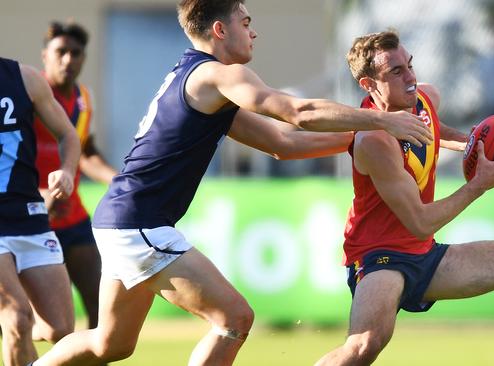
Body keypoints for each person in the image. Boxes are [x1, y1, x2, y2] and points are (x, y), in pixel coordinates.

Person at [31, 1, 433, 365]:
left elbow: (281, 143)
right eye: (246, 21)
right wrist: (381, 119)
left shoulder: (201, 81)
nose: (253, 31)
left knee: (110, 343)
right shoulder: (217, 75)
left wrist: (365, 137)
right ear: (220, 30)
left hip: (121, 219)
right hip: (138, 224)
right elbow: (297, 112)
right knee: (234, 318)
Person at [315, 31, 494, 366]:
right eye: (395, 72)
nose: (411, 78)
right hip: (380, 257)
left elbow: (435, 129)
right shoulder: (374, 141)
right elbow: (420, 222)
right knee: (364, 345)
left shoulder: (424, 99)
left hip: (425, 255)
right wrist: (479, 184)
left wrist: (475, 145)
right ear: (368, 84)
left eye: (409, 64)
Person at [33, 21, 117, 332]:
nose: (68, 59)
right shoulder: (28, 95)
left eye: (76, 53)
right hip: (30, 219)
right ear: (45, 56)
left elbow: (86, 150)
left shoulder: (84, 98)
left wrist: (117, 180)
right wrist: (41, 194)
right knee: (44, 324)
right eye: (61, 52)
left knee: (102, 308)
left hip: (72, 217)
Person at [0, 58, 81, 365]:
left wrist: (68, 172)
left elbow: (68, 134)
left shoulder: (24, 78)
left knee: (60, 330)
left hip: (29, 217)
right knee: (17, 318)